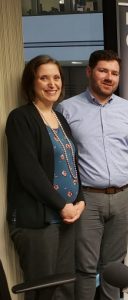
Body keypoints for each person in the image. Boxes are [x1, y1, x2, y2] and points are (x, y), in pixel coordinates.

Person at [56, 49, 128, 300]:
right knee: (86, 268)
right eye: (103, 71)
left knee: (114, 266)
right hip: (87, 199)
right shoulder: (66, 109)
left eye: (115, 73)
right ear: (89, 72)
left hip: (123, 197)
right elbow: (60, 156)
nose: (109, 77)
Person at [5, 55, 85, 300]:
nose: (52, 84)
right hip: (38, 222)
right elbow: (29, 173)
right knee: (44, 293)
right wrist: (63, 206)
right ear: (32, 82)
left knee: (65, 289)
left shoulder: (60, 118)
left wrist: (80, 199)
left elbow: (71, 163)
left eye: (56, 77)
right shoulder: (21, 118)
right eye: (44, 78)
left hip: (68, 218)